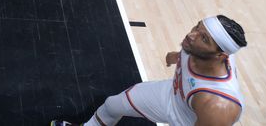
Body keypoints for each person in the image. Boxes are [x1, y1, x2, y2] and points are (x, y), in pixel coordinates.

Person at [50, 15, 246, 126]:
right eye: (197, 26)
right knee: (112, 105)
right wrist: (174, 56)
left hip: (185, 121)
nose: (191, 35)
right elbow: (188, 51)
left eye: (204, 38)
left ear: (221, 56)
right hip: (171, 95)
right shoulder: (195, 46)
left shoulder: (218, 106)